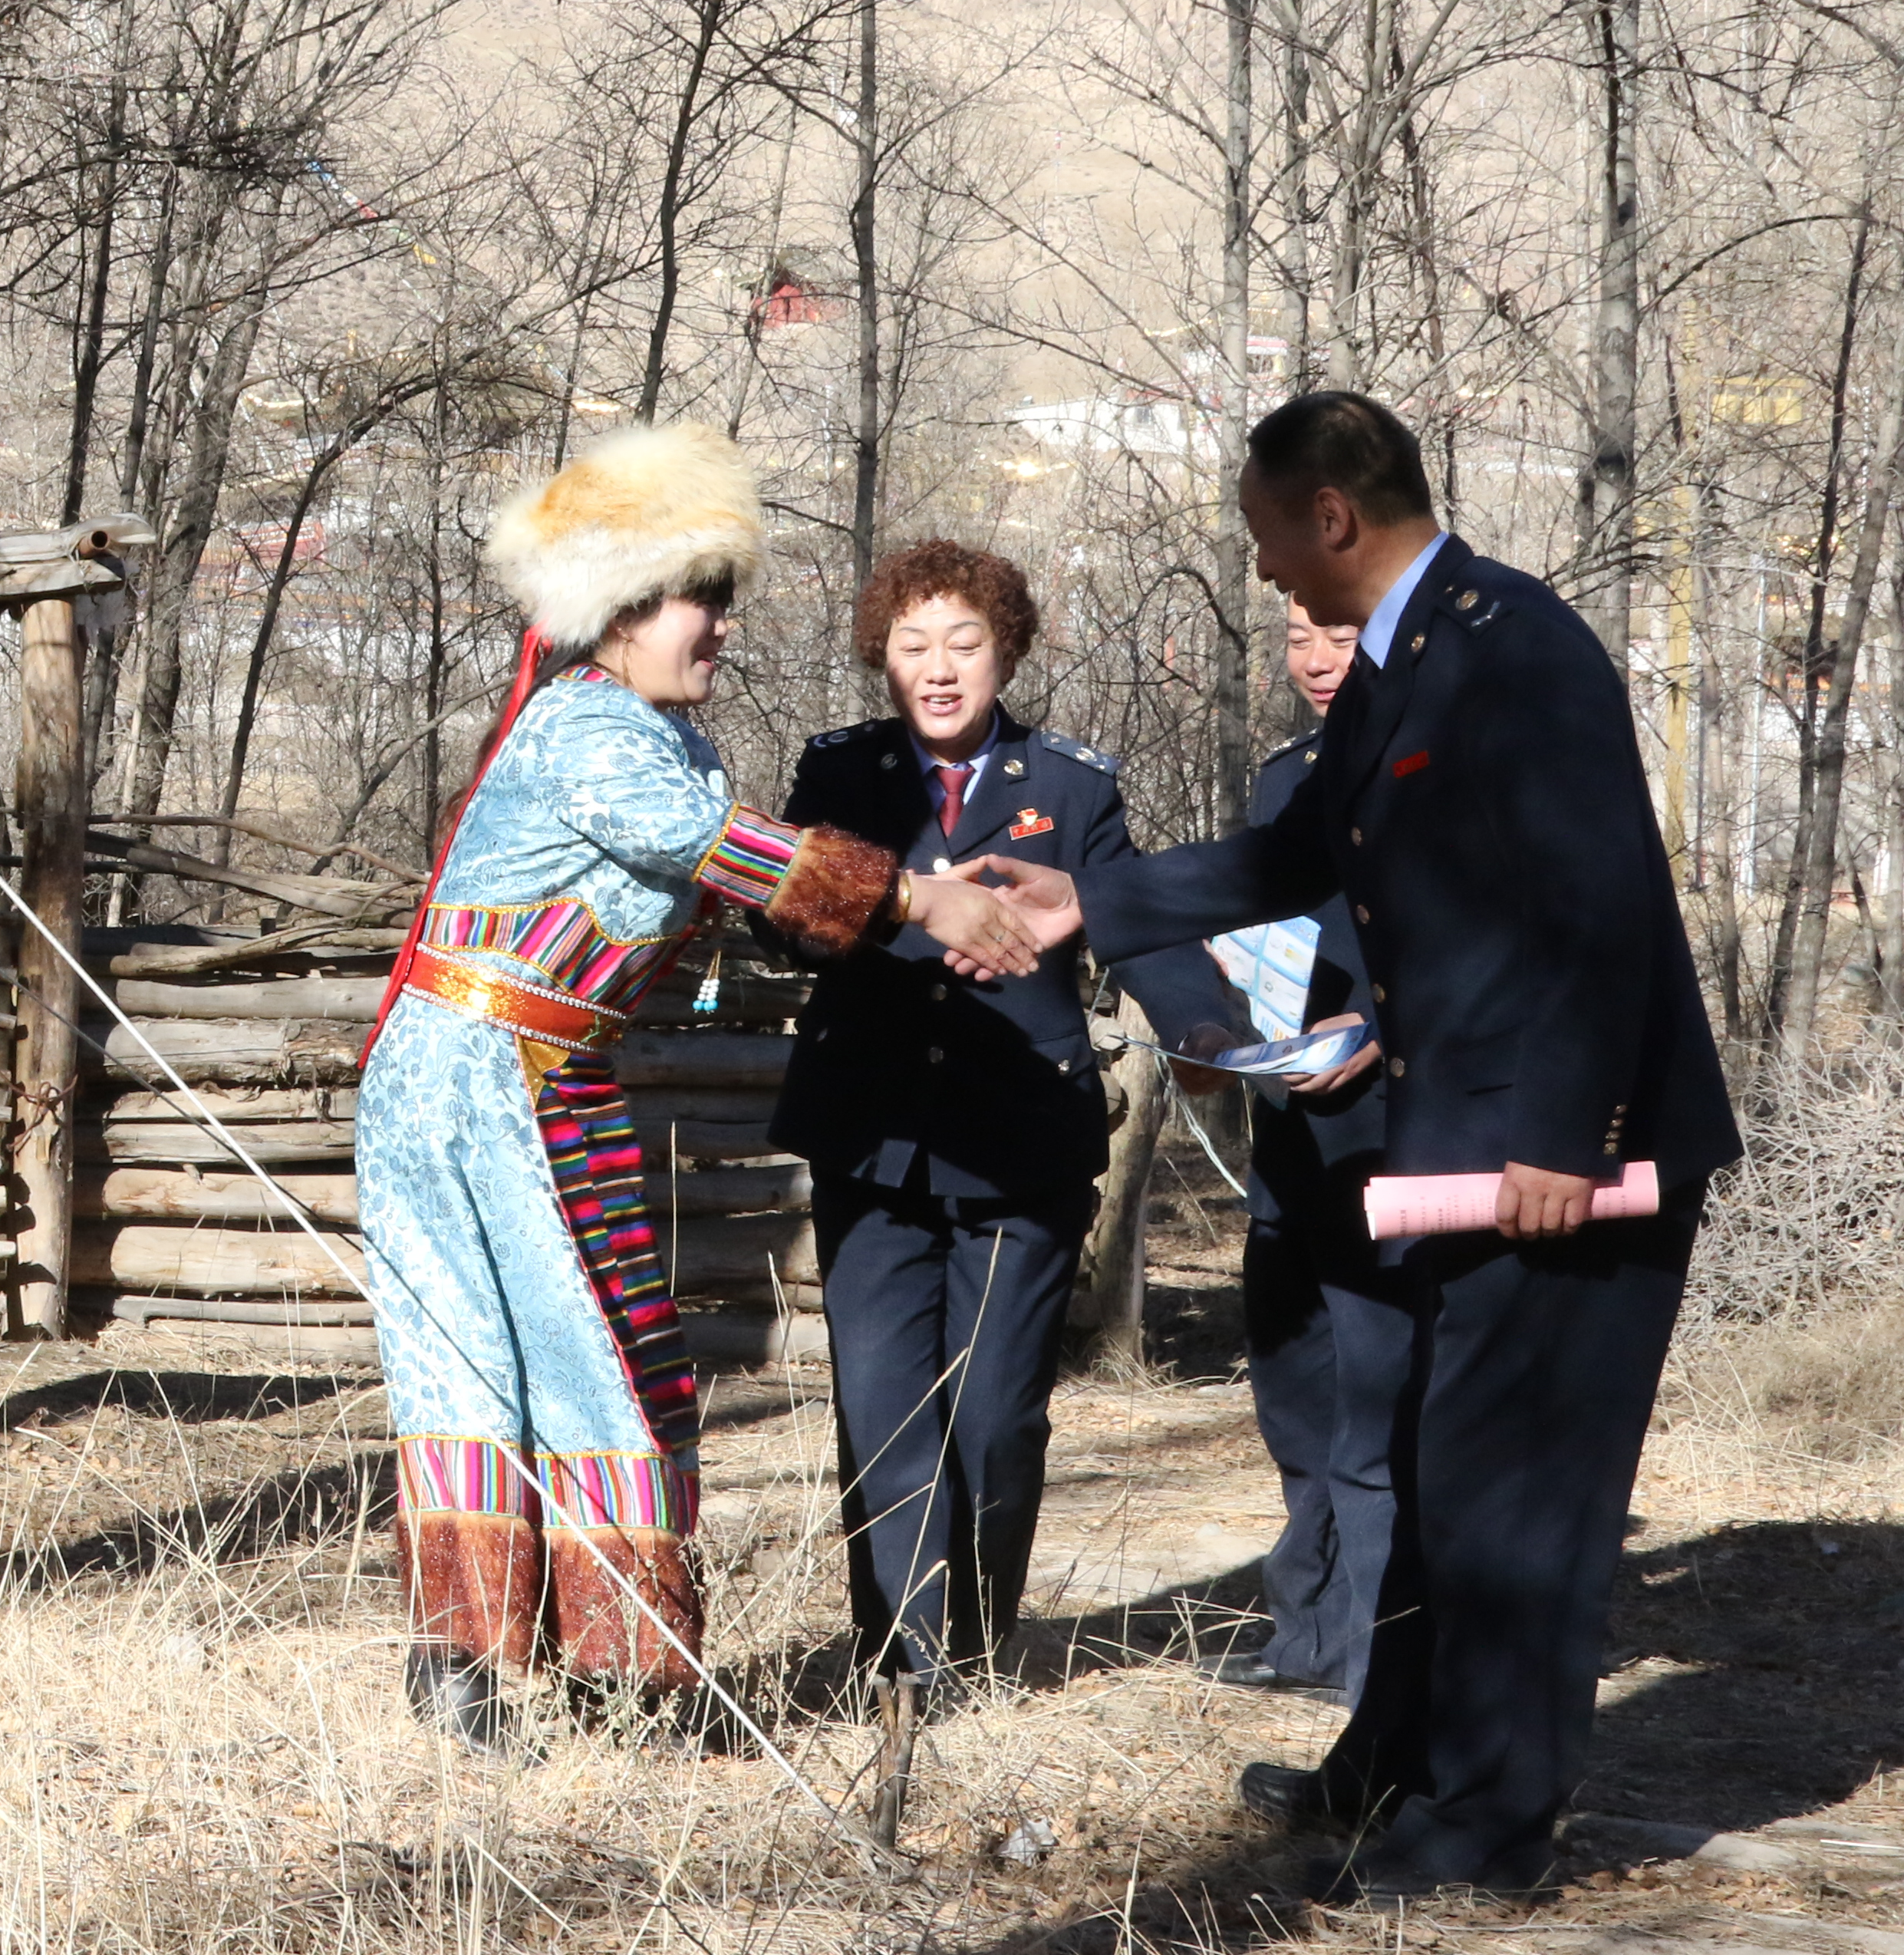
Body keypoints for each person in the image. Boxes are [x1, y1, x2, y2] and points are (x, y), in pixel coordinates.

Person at [970, 389, 1738, 1897]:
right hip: (1480, 1139)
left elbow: (1598, 908)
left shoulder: (1515, 646)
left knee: (1525, 1494)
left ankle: (1493, 1829)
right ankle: (1389, 1768)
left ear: (1331, 514)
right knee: (1438, 1461)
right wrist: (1090, 905)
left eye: (1265, 533)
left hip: (1567, 1152)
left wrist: (1562, 1139)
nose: (1262, 571)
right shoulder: (1404, 662)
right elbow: (1294, 852)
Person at [355, 423, 1042, 1743]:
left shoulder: (666, 738)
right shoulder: (590, 730)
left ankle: (571, 1669)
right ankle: (521, 1672)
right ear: (617, 614)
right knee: (522, 1354)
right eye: (695, 601)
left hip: (539, 1077)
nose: (718, 627)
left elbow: (714, 846)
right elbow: (706, 847)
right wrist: (916, 896)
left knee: (581, 1345)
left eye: (720, 599)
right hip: (470, 1082)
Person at [769, 542, 1236, 1701]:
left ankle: (975, 1642)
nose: (939, 670)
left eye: (963, 645)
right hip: (874, 1135)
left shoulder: (1070, 784)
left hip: (1023, 1136)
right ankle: (905, 1660)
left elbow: (1135, 920)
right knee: (881, 1402)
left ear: (1006, 651)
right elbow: (783, 917)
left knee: (995, 1413)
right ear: (882, 654)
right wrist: (870, 911)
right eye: (913, 646)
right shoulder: (840, 773)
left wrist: (1207, 1029)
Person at [1205, 602, 1400, 1702]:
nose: (1318, 659)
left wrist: (1375, 1032)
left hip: (1398, 1139)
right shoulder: (1285, 779)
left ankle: (1376, 1651)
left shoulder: (1441, 764)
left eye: (1342, 631)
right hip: (1291, 1133)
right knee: (1294, 1390)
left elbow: (1478, 956)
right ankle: (1307, 1632)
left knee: (1377, 1401)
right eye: (1295, 637)